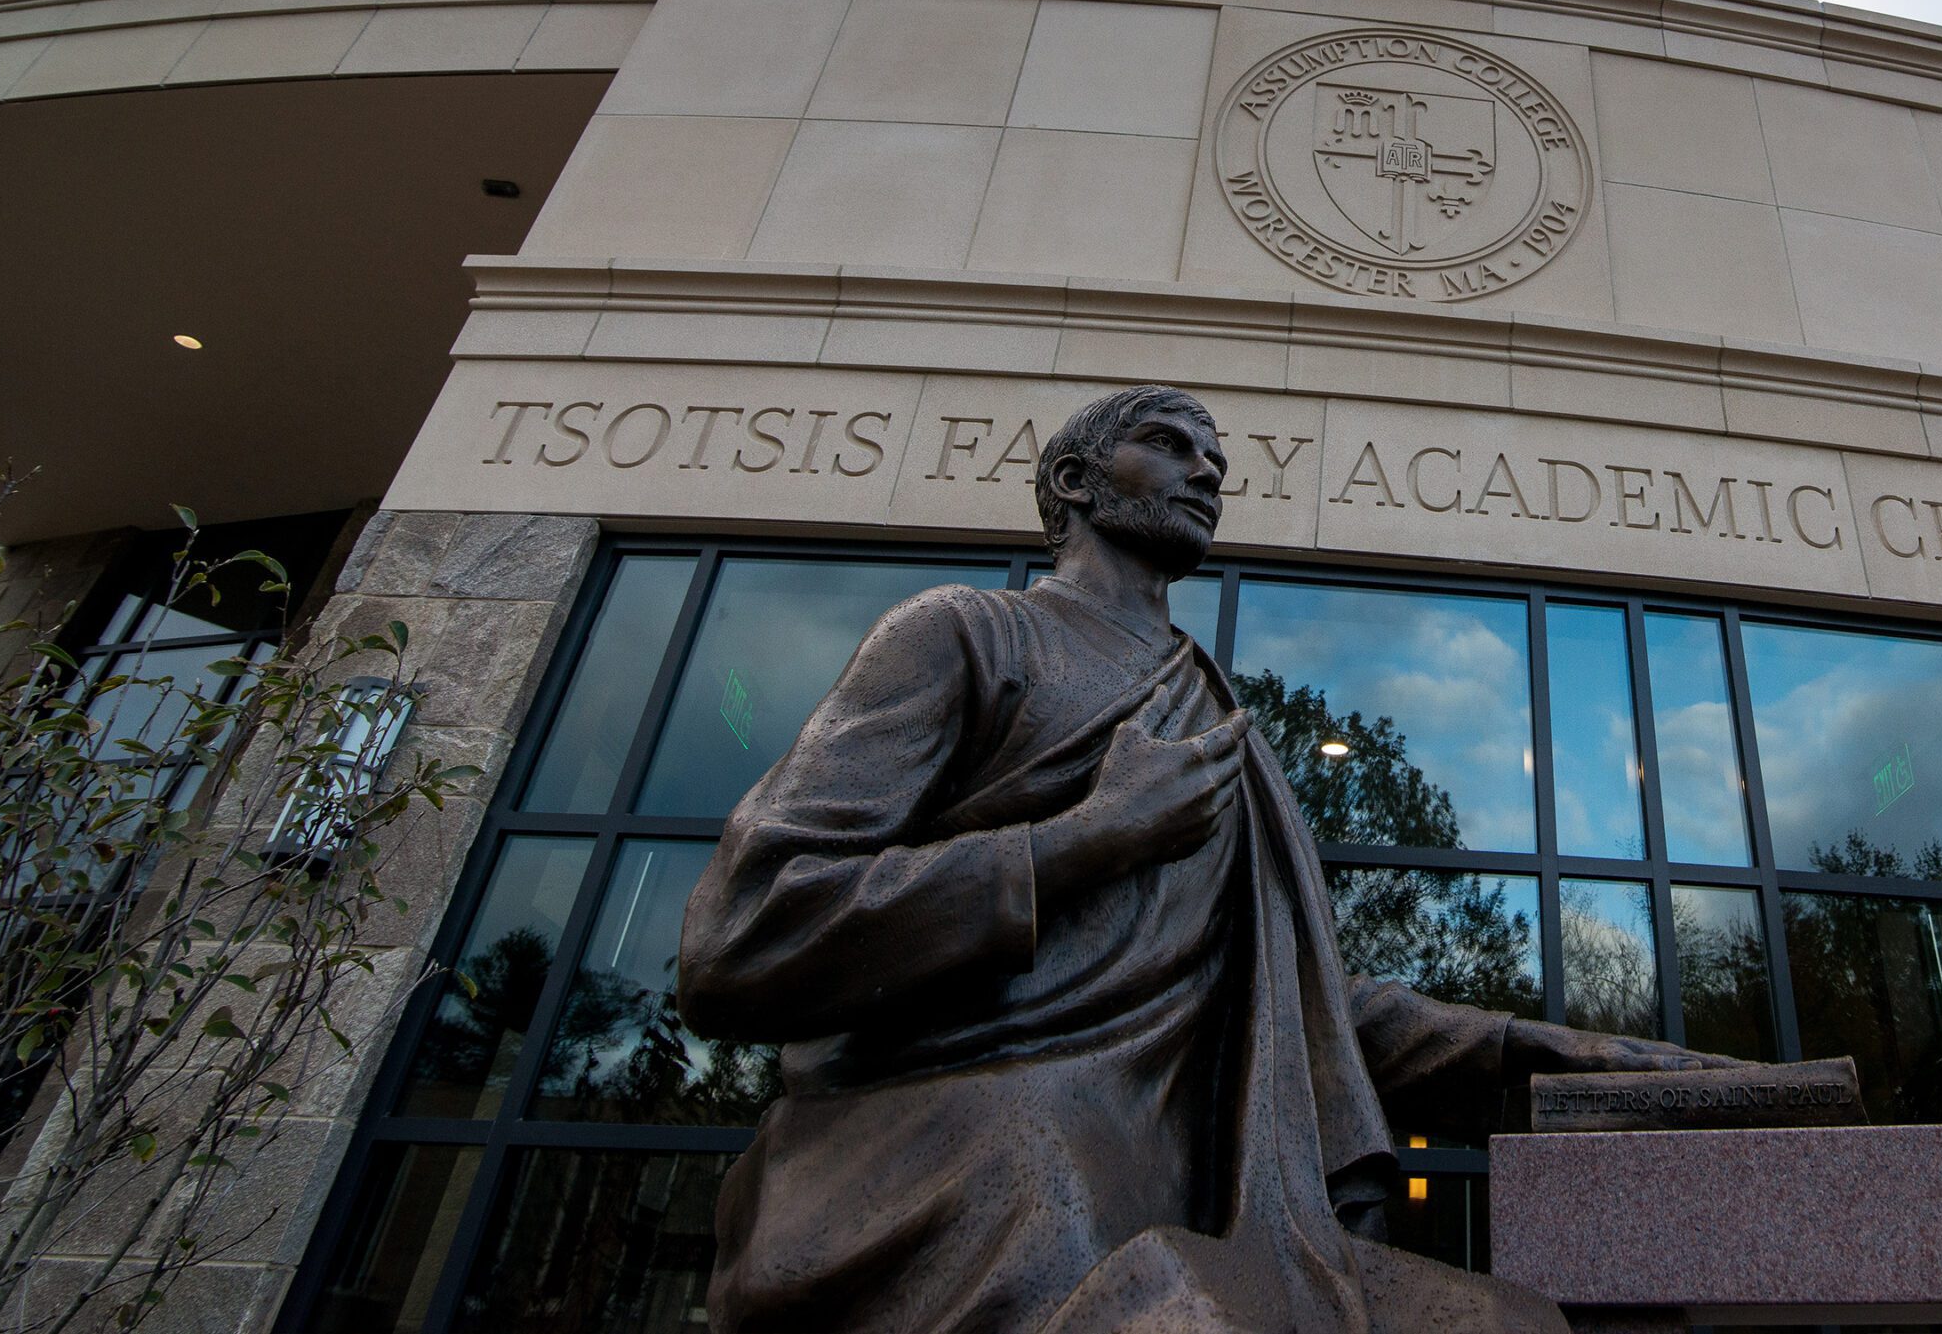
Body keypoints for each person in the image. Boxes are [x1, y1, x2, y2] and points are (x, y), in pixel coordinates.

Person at [678, 385, 1740, 1333]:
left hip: (1188, 1189)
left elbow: (1307, 1008)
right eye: (1169, 444)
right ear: (1074, 482)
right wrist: (1086, 840)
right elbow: (743, 931)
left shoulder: (1218, 718)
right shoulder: (963, 635)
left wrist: (1577, 1063)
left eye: (1217, 460)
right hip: (966, 1158)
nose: (1207, 471)